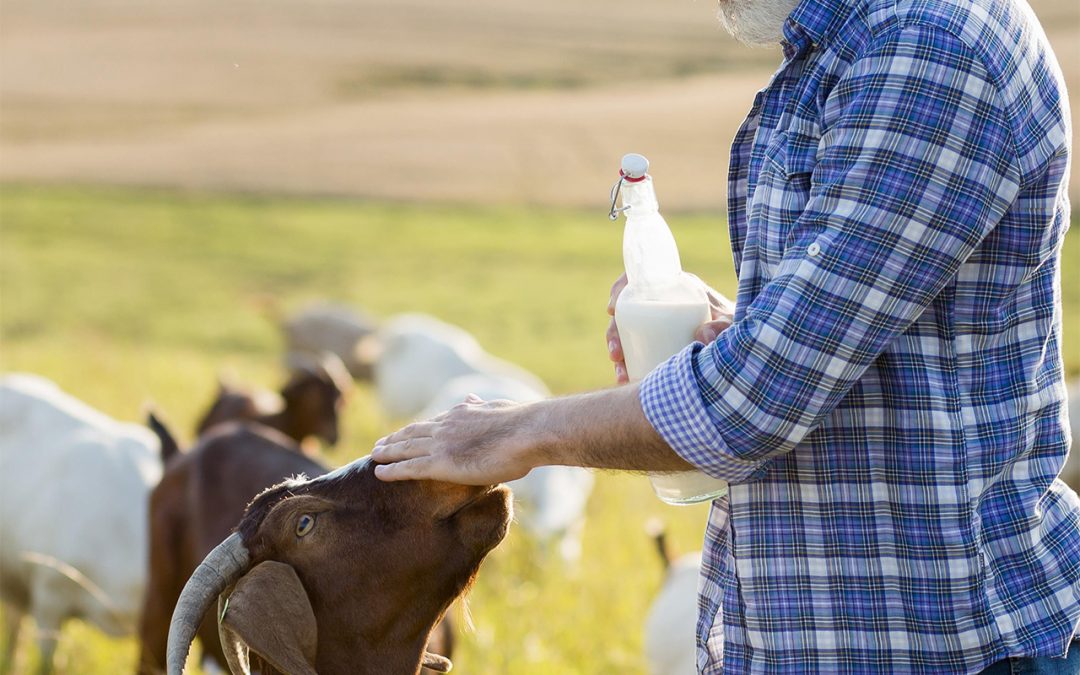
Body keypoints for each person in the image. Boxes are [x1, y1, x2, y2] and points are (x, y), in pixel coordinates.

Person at [371, 0, 1080, 668]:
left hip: (943, 647)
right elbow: (868, 335)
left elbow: (755, 399)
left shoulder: (927, 51)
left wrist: (511, 434)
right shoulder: (849, 43)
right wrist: (735, 327)